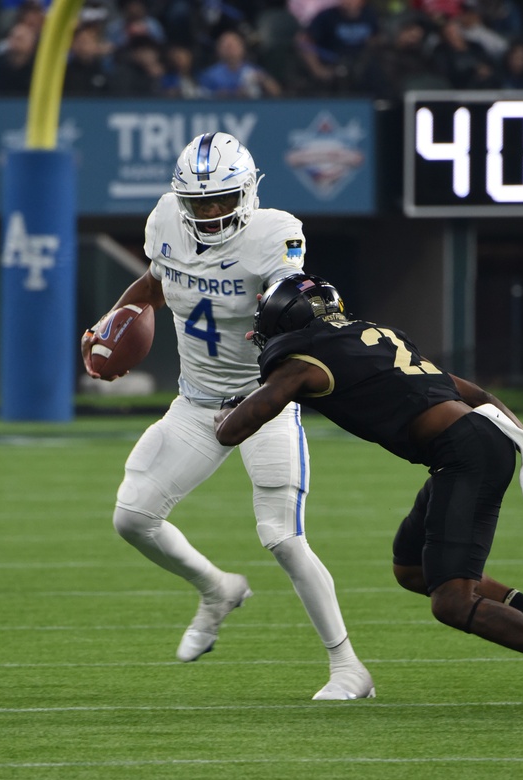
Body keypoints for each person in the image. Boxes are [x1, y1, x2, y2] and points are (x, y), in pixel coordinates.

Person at [214, 274, 523, 716]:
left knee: (452, 600)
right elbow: (481, 395)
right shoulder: (370, 337)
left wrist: (222, 413)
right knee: (412, 568)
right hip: (469, 446)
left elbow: (232, 431)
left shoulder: (303, 363)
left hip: (464, 454)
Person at [80, 132, 375, 701]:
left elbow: (291, 296)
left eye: (221, 200)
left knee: (283, 538)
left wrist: (291, 310)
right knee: (132, 517)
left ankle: (348, 668)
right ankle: (217, 589)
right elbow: (155, 281)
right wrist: (114, 320)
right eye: (199, 202)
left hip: (260, 402)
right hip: (195, 403)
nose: (210, 212)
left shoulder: (273, 234)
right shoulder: (166, 219)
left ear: (247, 193)